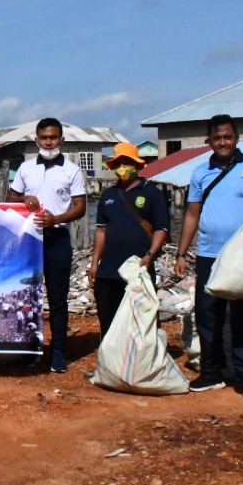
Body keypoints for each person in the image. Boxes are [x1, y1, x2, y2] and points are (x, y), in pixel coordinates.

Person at [174, 114, 243, 405]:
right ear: (208, 141)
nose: (223, 142)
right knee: (208, 316)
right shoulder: (200, 173)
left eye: (228, 137)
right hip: (210, 254)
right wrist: (181, 253)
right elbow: (191, 214)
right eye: (217, 138)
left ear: (237, 139)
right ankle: (212, 372)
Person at [6, 118, 87, 374]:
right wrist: (24, 198)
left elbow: (80, 208)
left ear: (61, 140)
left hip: (57, 239)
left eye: (53, 137)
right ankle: (29, 349)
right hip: (29, 242)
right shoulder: (25, 169)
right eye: (44, 138)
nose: (48, 142)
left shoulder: (72, 171)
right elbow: (10, 199)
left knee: (58, 298)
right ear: (36, 140)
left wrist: (56, 219)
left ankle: (58, 352)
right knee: (27, 297)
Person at [86, 141, 169, 340]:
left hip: (138, 268)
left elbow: (161, 229)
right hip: (108, 270)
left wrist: (150, 255)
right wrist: (94, 263)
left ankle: (143, 364)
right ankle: (110, 364)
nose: (123, 167)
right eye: (119, 163)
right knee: (108, 321)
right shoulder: (108, 195)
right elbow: (100, 232)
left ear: (138, 165)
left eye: (127, 162)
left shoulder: (152, 194)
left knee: (142, 320)